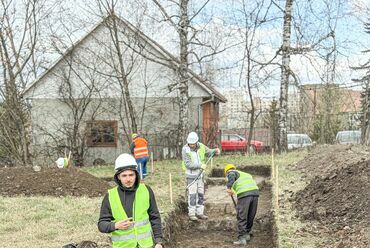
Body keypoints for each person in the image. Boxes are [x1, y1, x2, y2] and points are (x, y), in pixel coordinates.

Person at [98, 153, 163, 248]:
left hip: (146, 245)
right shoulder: (110, 196)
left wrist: (158, 241)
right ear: (118, 177)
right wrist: (115, 225)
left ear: (136, 175)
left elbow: (155, 217)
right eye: (124, 176)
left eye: (131, 175)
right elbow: (101, 224)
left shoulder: (146, 190)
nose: (128, 179)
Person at [182, 131, 220, 221]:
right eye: (190, 144)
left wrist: (215, 151)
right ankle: (192, 214)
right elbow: (187, 164)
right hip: (191, 176)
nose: (191, 145)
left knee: (200, 194)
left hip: (200, 176)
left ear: (196, 142)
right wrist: (200, 166)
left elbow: (209, 152)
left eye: (193, 144)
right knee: (192, 195)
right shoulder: (185, 149)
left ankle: (200, 213)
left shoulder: (201, 146)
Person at [224, 164, 259, 245]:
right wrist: (233, 191)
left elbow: (231, 176)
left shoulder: (231, 172)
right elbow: (242, 186)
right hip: (255, 193)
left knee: (241, 216)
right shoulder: (244, 174)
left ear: (226, 172)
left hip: (245, 194)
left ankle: (242, 238)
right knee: (250, 215)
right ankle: (247, 233)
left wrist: (228, 187)